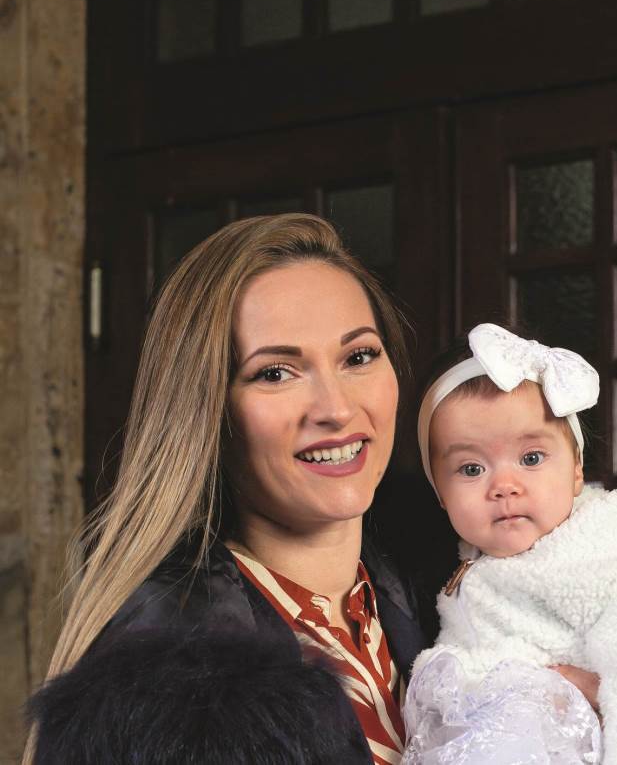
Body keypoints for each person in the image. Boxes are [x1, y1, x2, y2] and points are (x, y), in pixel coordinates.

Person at [27, 214, 427, 764]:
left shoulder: (461, 595)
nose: (336, 409)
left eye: (358, 357)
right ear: (208, 411)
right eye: (275, 373)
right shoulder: (166, 689)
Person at [402, 323, 617, 764]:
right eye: (471, 469)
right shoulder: (469, 567)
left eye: (531, 458)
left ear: (577, 468)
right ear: (439, 492)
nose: (504, 486)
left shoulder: (607, 548)